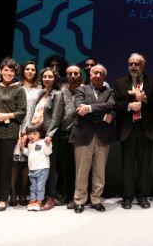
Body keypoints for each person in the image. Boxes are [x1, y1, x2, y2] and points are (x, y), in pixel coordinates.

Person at [114, 53, 153, 209]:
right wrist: (129, 106)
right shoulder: (120, 82)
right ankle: (127, 197)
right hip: (128, 129)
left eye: (137, 64)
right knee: (127, 165)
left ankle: (143, 196)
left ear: (143, 66)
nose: (133, 67)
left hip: (146, 129)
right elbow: (115, 104)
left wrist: (146, 100)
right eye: (131, 64)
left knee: (145, 165)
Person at [0, 57, 27, 212]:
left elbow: (22, 112)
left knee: (5, 167)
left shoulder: (19, 89)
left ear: (16, 73)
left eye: (12, 70)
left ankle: (2, 198)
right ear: (1, 71)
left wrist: (6, 116)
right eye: (6, 70)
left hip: (8, 132)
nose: (8, 73)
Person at [70, 64, 115, 213]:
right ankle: (79, 201)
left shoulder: (109, 92)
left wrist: (89, 108)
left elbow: (111, 105)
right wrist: (103, 115)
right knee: (82, 170)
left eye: (100, 73)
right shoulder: (81, 90)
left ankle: (96, 199)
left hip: (103, 135)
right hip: (84, 135)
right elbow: (79, 109)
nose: (97, 75)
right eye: (95, 72)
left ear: (104, 77)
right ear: (90, 74)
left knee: (99, 170)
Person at [31, 67, 64, 210]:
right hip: (38, 135)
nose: (47, 79)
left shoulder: (58, 94)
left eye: (50, 76)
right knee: (40, 167)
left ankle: (50, 198)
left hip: (50, 137)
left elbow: (56, 117)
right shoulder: (41, 94)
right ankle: (40, 197)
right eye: (45, 76)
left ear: (55, 79)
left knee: (50, 168)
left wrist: (49, 134)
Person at [11, 61, 43, 207]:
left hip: (31, 129)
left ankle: (23, 194)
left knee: (26, 163)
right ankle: (12, 194)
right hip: (15, 127)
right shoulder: (15, 86)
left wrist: (29, 131)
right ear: (23, 71)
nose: (30, 71)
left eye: (33, 70)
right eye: (27, 69)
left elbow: (40, 110)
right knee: (14, 163)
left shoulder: (40, 89)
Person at [58, 64, 83, 208]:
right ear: (66, 76)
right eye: (70, 73)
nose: (73, 76)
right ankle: (65, 195)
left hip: (80, 133)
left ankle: (77, 196)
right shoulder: (61, 91)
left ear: (80, 75)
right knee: (65, 167)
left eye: (76, 73)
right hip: (64, 133)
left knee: (78, 167)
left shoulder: (86, 90)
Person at [23, 126, 53, 211]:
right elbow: (29, 154)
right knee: (33, 186)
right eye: (29, 134)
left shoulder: (44, 142)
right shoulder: (30, 144)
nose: (31, 136)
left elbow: (48, 152)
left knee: (40, 186)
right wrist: (22, 148)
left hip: (42, 168)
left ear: (40, 134)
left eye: (34, 134)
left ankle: (39, 201)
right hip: (32, 169)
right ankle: (33, 200)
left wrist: (48, 144)